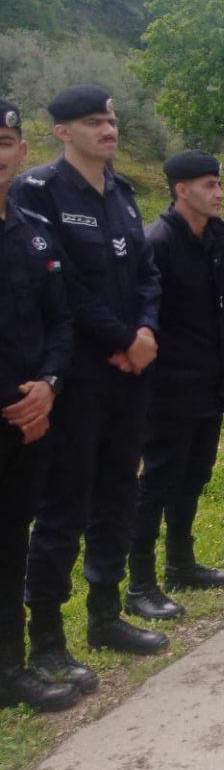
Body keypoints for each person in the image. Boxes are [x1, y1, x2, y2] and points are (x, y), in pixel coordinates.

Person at [20, 85, 167, 673]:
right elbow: (61, 284)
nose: (107, 129)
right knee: (65, 502)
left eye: (110, 120)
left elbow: (147, 273)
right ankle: (46, 638)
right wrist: (123, 338)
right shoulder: (38, 191)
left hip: (130, 373)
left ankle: (105, 615)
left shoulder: (122, 192)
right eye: (91, 122)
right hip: (77, 374)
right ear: (62, 131)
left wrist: (146, 331)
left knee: (117, 491)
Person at [125, 152, 224, 624]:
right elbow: (146, 315)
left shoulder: (215, 238)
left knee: (193, 477)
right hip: (169, 386)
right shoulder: (159, 243)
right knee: (157, 482)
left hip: (209, 379)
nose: (219, 193)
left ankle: (181, 563)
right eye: (209, 184)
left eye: (219, 183)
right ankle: (140, 583)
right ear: (181, 189)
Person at [0, 99, 78, 712]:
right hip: (12, 408)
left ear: (22, 152)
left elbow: (60, 318)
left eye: (4, 143)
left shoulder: (32, 230)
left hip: (32, 412)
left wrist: (48, 384)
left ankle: (10, 669)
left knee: (11, 541)